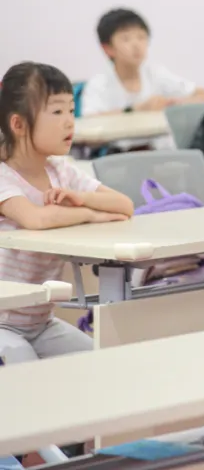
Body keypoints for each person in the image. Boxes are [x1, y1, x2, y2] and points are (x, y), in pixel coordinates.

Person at [0, 62, 133, 364]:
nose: (69, 122)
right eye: (57, 112)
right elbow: (36, 219)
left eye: (72, 111)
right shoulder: (4, 175)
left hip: (40, 323)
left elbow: (124, 204)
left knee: (100, 363)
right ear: (18, 124)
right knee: (28, 371)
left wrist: (80, 197)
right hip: (3, 323)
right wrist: (90, 214)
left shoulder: (60, 170)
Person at [80, 8, 204, 116]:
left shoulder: (156, 73)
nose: (136, 45)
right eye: (126, 39)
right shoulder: (99, 84)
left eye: (141, 37)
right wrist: (134, 110)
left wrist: (175, 103)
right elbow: (90, 120)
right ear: (108, 48)